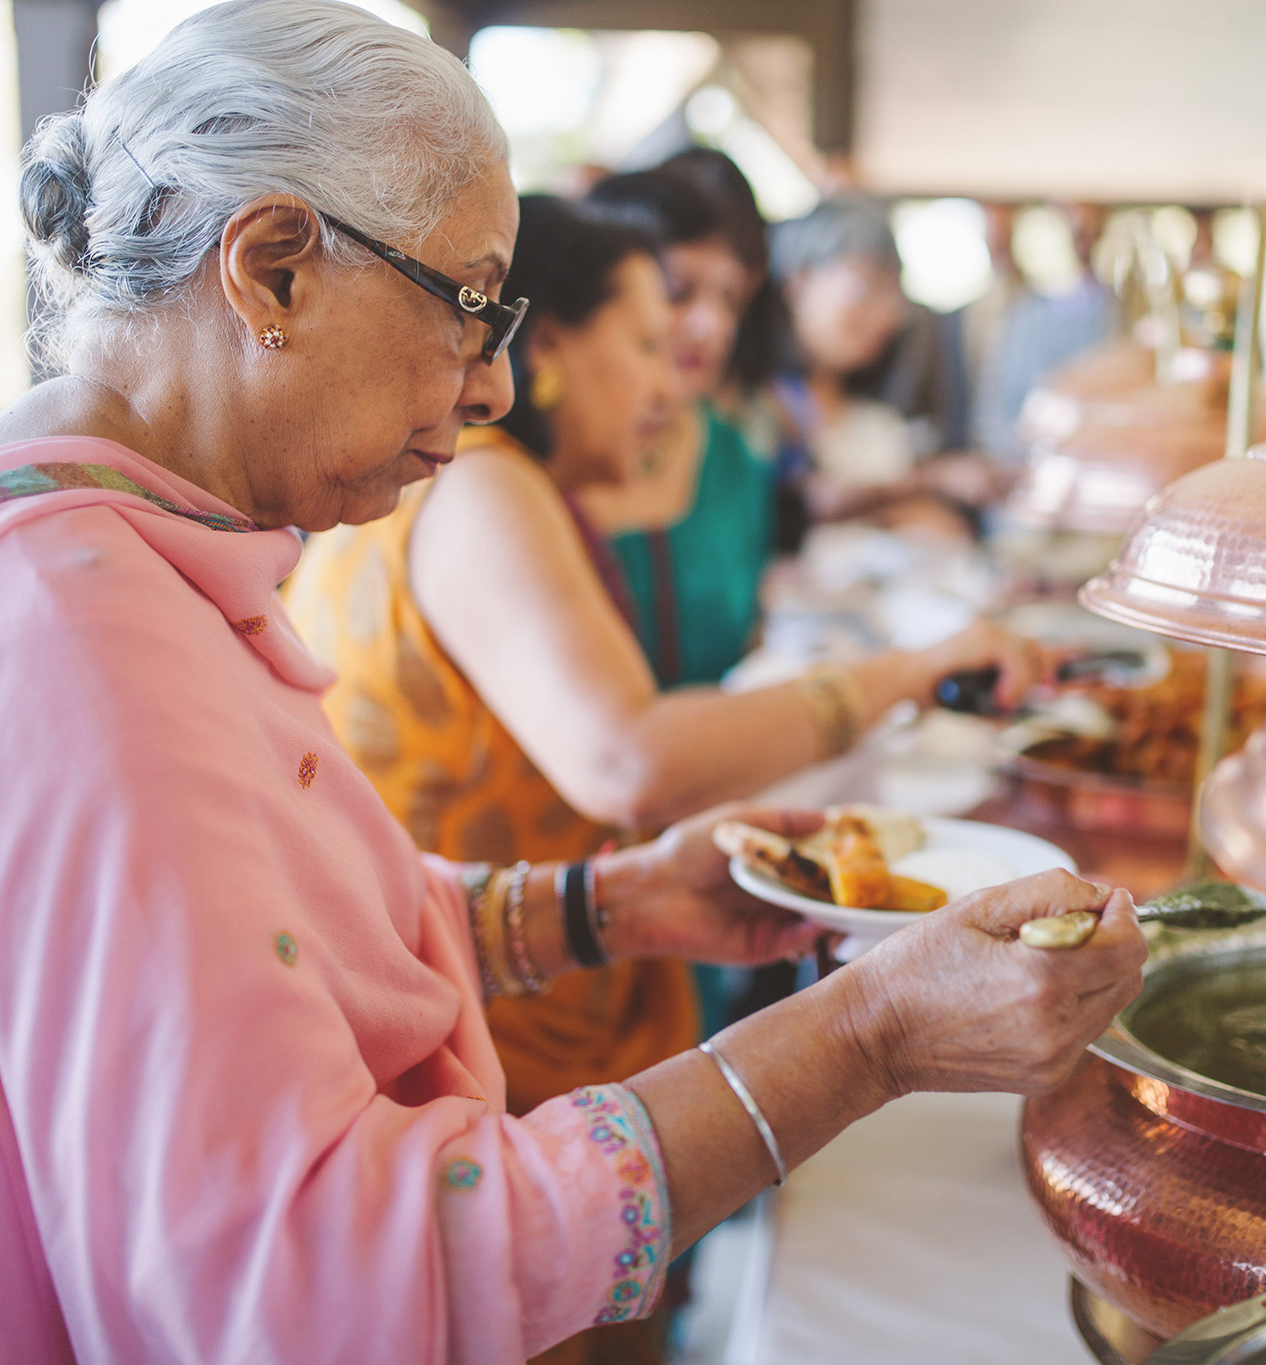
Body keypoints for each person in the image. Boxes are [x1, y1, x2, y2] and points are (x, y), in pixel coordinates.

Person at [0, 6, 1149, 1361]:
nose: (494, 388)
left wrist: (611, 904)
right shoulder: (79, 647)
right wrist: (868, 1034)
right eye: (473, 307)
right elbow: (314, 1292)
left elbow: (280, 943)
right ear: (272, 272)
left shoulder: (60, 537)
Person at [285, 196, 1047, 1152]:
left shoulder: (509, 484)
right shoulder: (481, 480)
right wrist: (912, 671)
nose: (671, 382)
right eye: (646, 343)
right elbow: (629, 759)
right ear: (547, 347)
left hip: (501, 974)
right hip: (477, 1033)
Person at [577, 167, 773, 690]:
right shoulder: (538, 465)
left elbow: (747, 640)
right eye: (677, 292)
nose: (713, 327)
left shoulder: (733, 456)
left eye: (729, 300)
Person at [769, 196, 1003, 540]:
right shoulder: (765, 402)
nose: (887, 315)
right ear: (799, 280)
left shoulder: (868, 413)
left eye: (894, 294)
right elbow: (806, 505)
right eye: (868, 285)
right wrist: (931, 479)